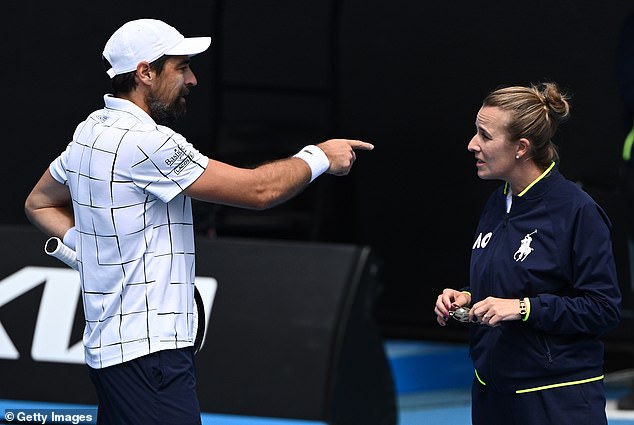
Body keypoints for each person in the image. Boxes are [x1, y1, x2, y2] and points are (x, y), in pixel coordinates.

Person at [23, 18, 373, 425]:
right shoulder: (149, 142)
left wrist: (94, 249)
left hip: (111, 353)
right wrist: (320, 156)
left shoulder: (89, 132)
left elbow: (38, 204)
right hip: (151, 359)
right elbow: (259, 191)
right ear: (145, 73)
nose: (192, 79)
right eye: (182, 67)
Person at [433, 82, 621, 425]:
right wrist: (467, 299)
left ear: (521, 147)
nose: (472, 144)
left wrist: (523, 309)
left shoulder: (577, 211)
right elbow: (514, 285)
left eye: (485, 136)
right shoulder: (497, 202)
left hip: (556, 397)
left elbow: (603, 308)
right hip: (492, 392)